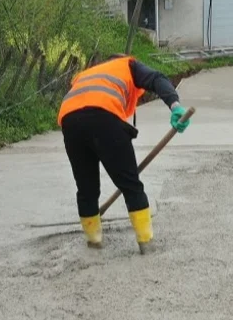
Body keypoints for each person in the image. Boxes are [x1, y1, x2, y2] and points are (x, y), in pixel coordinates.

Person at [57, 54, 191, 254]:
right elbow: (157, 78)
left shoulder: (87, 74)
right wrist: (175, 106)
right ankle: (146, 244)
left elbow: (83, 103)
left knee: (86, 189)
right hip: (104, 116)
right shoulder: (128, 64)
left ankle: (94, 243)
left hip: (70, 121)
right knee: (131, 185)